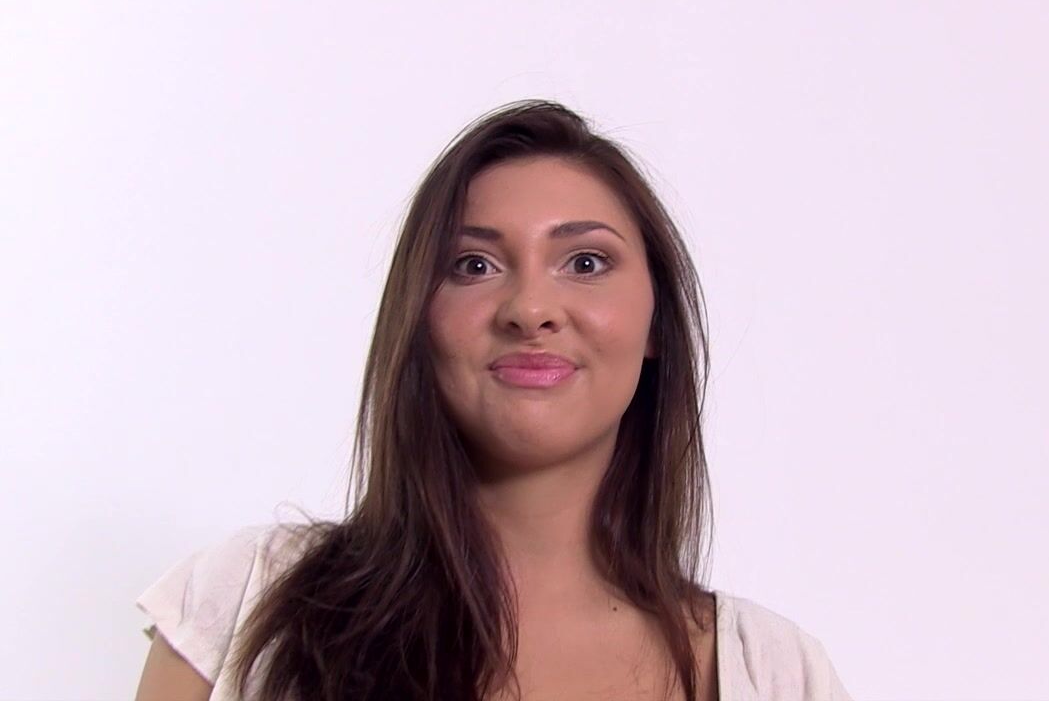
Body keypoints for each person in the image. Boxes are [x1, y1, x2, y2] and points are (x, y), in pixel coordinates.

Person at [132, 99, 854, 701]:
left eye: (585, 262)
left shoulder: (774, 674)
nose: (530, 309)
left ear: (657, 324)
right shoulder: (245, 603)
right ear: (418, 320)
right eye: (473, 264)